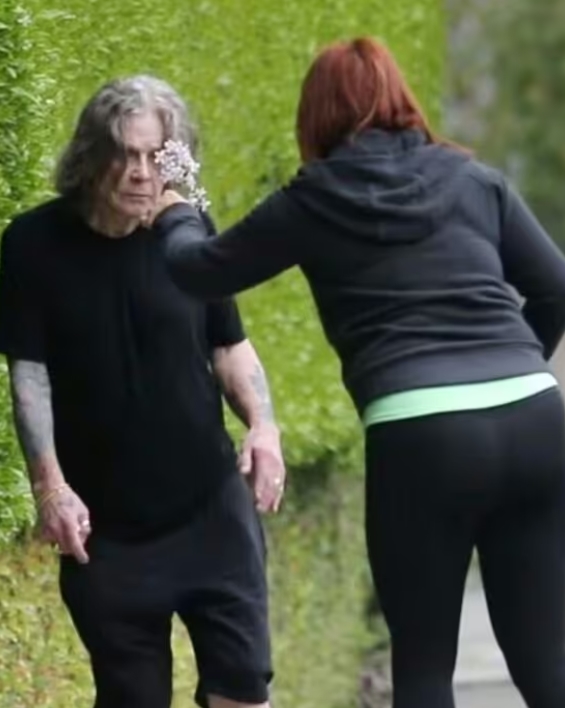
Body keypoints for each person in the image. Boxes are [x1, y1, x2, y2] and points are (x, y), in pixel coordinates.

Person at [151, 37, 565, 708]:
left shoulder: (313, 199)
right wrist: (508, 372)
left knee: (424, 667)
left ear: (315, 115)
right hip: (533, 416)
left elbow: (199, 270)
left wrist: (176, 211)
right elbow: (556, 288)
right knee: (546, 663)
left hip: (421, 431)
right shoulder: (473, 178)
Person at [0, 75, 285, 708]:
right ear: (91, 156)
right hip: (109, 531)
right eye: (125, 154)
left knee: (242, 692)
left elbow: (229, 345)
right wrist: (51, 486)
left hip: (211, 512)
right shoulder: (32, 244)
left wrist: (263, 426)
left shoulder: (189, 231)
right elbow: (30, 374)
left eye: (157, 156)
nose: (140, 173)